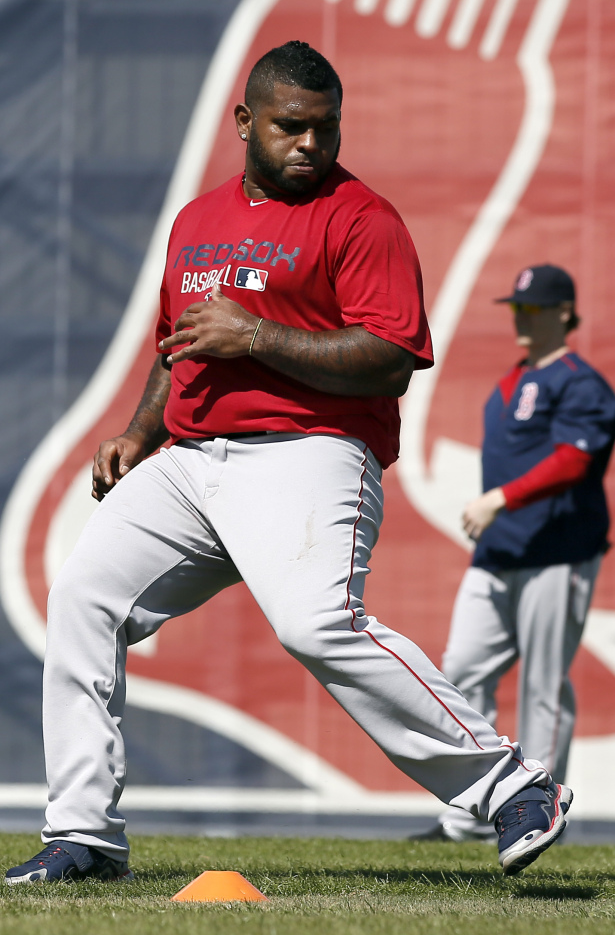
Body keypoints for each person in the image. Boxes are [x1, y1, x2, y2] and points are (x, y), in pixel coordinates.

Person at [7, 44, 571, 885]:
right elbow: (180, 342)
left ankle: (509, 783)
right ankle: (83, 833)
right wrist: (138, 432)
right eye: (290, 126)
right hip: (191, 460)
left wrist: (260, 335)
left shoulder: (359, 217)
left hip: (310, 451)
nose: (310, 144)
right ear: (244, 123)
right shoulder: (198, 220)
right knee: (83, 597)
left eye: (325, 127)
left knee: (316, 624)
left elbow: (389, 357)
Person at [428, 264, 615, 842]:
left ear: (563, 312)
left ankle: (538, 813)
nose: (522, 318)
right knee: (460, 672)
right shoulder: (513, 379)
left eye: (534, 308)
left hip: (557, 552)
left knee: (542, 685)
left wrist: (500, 498)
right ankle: (469, 816)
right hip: (499, 551)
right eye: (518, 307)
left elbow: (574, 459)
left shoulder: (580, 382)